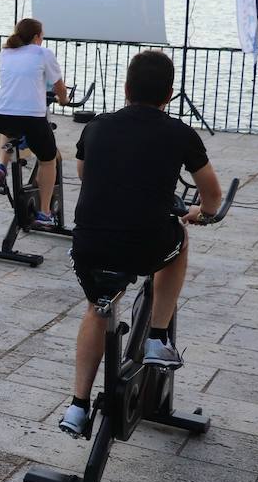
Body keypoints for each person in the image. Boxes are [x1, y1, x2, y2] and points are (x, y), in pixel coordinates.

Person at [59, 51, 223, 437]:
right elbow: (211, 195)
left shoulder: (97, 126)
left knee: (98, 308)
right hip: (147, 243)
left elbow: (85, 172)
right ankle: (157, 337)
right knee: (178, 241)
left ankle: (78, 406)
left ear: (126, 89)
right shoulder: (181, 133)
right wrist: (200, 213)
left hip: (89, 244)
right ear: (168, 95)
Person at [0, 17, 67, 226]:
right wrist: (64, 100)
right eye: (42, 36)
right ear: (36, 37)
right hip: (32, 118)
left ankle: (1, 165)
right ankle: (44, 212)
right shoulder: (43, 53)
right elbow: (59, 86)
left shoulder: (5, 53)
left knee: (11, 128)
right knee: (48, 159)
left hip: (1, 116)